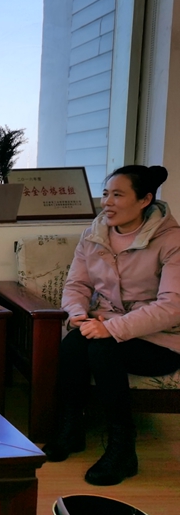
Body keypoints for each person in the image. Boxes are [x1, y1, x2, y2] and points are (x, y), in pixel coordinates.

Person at [43, 165, 180, 486]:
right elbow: (77, 285)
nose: (107, 202)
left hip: (160, 340)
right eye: (106, 194)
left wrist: (113, 328)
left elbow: (172, 307)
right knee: (73, 344)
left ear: (145, 200)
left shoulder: (172, 240)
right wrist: (77, 313)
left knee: (103, 349)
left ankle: (123, 448)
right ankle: (71, 429)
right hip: (102, 326)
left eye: (118, 195)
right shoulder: (94, 234)